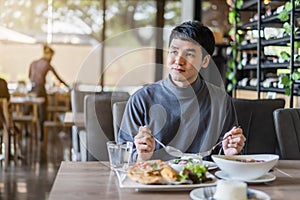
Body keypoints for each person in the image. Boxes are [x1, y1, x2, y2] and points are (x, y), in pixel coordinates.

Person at [118, 21, 246, 162]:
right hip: (156, 180)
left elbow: (228, 153)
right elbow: (121, 157)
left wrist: (230, 153)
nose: (178, 60)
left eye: (189, 54)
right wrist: (141, 156)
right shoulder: (141, 99)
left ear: (205, 61)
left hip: (207, 181)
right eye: (174, 52)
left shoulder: (221, 101)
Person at [28, 45, 69, 139]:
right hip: (40, 89)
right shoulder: (47, 64)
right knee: (42, 112)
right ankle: (41, 136)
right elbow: (58, 77)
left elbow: (29, 77)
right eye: (51, 56)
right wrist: (67, 86)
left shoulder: (33, 63)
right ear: (49, 54)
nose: (51, 58)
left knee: (30, 111)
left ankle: (27, 134)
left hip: (31, 90)